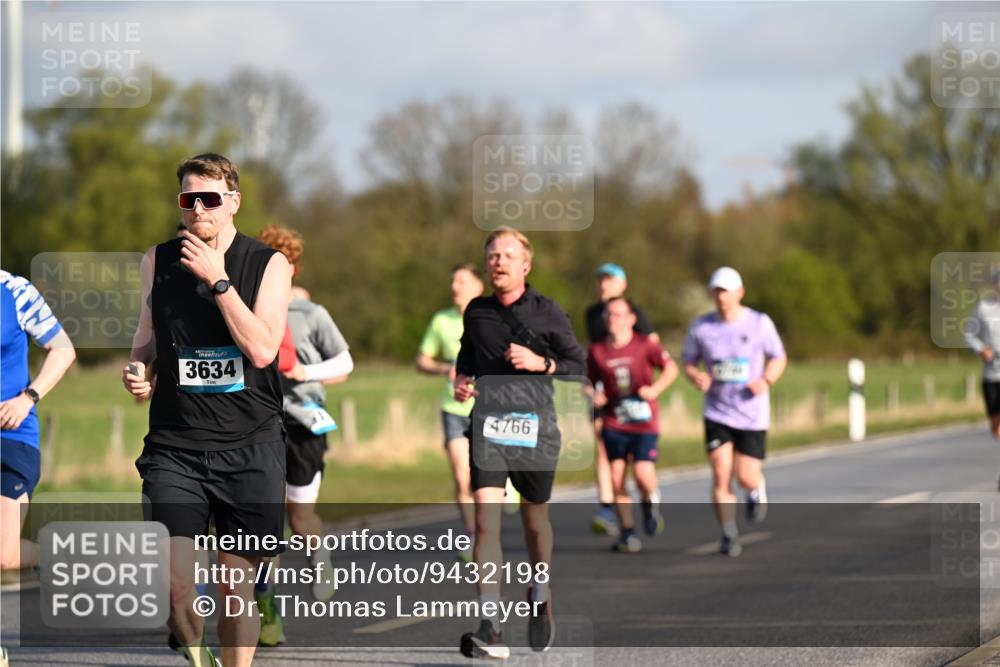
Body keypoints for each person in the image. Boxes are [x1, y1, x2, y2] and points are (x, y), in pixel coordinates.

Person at [123, 153, 292, 667]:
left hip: (250, 446)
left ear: (232, 202)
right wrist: (139, 370)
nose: (198, 207)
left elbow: (263, 350)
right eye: (188, 198)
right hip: (176, 447)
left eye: (209, 198)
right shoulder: (157, 260)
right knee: (175, 586)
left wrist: (220, 283)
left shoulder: (268, 264)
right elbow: (147, 339)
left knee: (234, 587)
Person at [454, 227, 586, 659]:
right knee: (487, 523)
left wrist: (541, 362)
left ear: (525, 265)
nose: (499, 261)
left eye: (508, 255)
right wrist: (462, 379)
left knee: (534, 523)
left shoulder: (548, 312)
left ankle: (541, 588)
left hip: (536, 429)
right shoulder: (476, 312)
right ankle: (491, 623)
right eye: (492, 254)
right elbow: (466, 354)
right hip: (489, 426)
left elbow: (576, 364)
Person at [254, 224, 354, 646]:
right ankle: (267, 608)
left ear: (292, 268)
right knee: (264, 521)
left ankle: (319, 551)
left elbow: (345, 363)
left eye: (284, 261)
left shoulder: (312, 314)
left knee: (298, 517)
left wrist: (304, 371)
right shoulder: (244, 308)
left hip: (306, 424)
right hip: (259, 424)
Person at [682, 267, 786, 557]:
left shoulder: (758, 323)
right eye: (716, 291)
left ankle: (755, 489)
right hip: (717, 411)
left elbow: (779, 356)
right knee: (720, 472)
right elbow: (688, 361)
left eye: (726, 290)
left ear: (740, 292)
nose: (721, 297)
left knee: (745, 475)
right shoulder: (701, 327)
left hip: (752, 412)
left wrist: (766, 380)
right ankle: (728, 533)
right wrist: (695, 376)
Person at [587, 296, 677, 552]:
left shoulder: (645, 345)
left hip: (644, 421)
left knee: (642, 475)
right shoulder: (597, 350)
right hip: (615, 420)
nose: (612, 320)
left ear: (631, 319)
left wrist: (655, 389)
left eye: (617, 314)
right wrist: (594, 394)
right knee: (616, 478)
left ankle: (649, 503)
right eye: (608, 315)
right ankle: (627, 532)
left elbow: (670, 368)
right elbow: (586, 380)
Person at [1, 271, 76, 573]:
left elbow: (63, 349)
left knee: (3, 556)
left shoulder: (15, 291)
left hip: (11, 437)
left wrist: (28, 397)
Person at [583, 263, 658, 537]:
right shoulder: (592, 314)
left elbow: (652, 347)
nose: (605, 284)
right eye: (601, 279)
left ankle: (648, 497)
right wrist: (592, 388)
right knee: (602, 444)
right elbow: (592, 352)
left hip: (633, 393)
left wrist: (648, 385)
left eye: (611, 279)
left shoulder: (635, 312)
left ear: (623, 284)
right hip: (604, 389)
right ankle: (606, 506)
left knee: (638, 465)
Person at [416, 263, 484, 562]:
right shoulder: (441, 320)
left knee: (487, 476)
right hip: (454, 406)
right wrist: (446, 368)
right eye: (453, 281)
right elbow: (421, 360)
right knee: (461, 475)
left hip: (488, 407)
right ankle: (472, 533)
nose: (455, 287)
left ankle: (504, 490)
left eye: (462, 281)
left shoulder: (489, 317)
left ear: (479, 286)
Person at [964, 270, 1000, 444]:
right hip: (991, 374)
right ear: (995, 285)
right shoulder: (984, 308)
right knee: (996, 426)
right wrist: (981, 349)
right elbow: (970, 334)